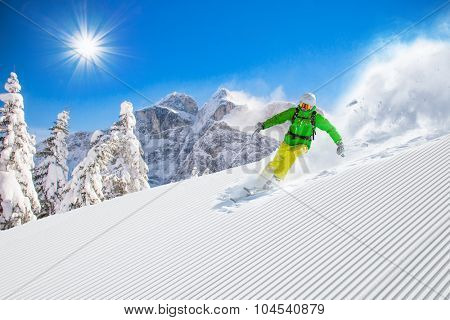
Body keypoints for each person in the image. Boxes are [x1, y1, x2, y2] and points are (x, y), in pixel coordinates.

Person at [254, 92, 344, 189]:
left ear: (312, 107)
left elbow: (330, 129)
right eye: (302, 105)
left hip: (303, 145)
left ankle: (276, 179)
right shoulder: (294, 112)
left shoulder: (316, 117)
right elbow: (278, 118)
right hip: (288, 142)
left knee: (292, 154)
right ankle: (258, 182)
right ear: (300, 103)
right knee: (275, 163)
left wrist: (339, 142)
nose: (304, 108)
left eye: (307, 106)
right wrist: (263, 125)